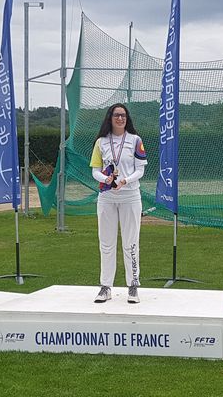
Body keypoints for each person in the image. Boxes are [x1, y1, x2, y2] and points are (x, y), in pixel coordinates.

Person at [90, 103, 148, 304]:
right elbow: (95, 170)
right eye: (116, 115)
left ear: (127, 118)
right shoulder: (101, 142)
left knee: (131, 243)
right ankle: (105, 287)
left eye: (123, 115)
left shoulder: (135, 140)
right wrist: (106, 179)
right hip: (106, 197)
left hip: (130, 196)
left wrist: (125, 180)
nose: (120, 119)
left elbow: (140, 170)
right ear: (110, 117)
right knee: (106, 243)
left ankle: (133, 286)